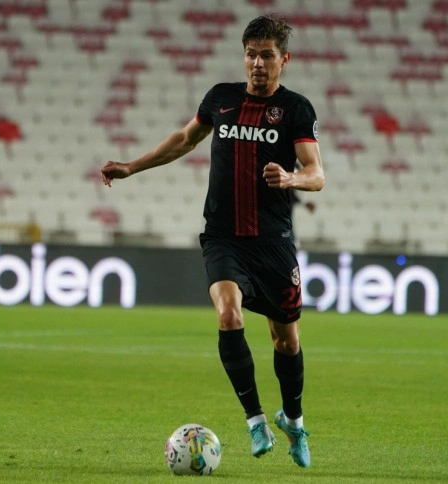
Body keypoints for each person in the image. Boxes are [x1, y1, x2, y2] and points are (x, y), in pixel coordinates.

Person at [101, 15, 324, 468]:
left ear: (284, 59)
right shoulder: (221, 99)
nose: (257, 63)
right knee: (227, 314)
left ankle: (294, 420)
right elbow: (185, 139)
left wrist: (291, 178)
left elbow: (317, 174)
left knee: (286, 342)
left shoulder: (296, 109)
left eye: (266, 55)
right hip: (223, 237)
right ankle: (255, 420)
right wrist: (132, 167)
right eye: (250, 54)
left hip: (273, 242)